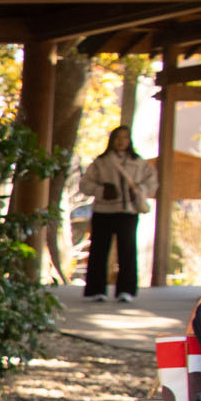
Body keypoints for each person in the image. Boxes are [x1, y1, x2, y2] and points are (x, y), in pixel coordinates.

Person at [79, 126, 158, 303]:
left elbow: (152, 182)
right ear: (112, 140)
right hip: (103, 211)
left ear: (130, 141)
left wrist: (139, 191)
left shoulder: (139, 163)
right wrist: (101, 190)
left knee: (127, 250)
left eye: (125, 138)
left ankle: (126, 290)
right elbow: (85, 184)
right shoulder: (101, 162)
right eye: (118, 138)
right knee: (99, 250)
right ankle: (96, 290)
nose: (121, 141)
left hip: (128, 211)